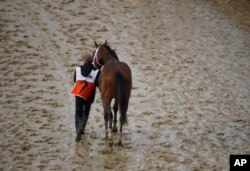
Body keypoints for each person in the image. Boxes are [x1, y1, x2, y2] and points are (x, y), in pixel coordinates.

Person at [70, 54, 100, 142]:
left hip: (79, 94)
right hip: (89, 95)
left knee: (77, 112)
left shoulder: (78, 69)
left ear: (84, 60)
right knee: (86, 111)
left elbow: (75, 80)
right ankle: (82, 129)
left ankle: (78, 129)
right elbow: (97, 84)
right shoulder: (97, 71)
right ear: (92, 61)